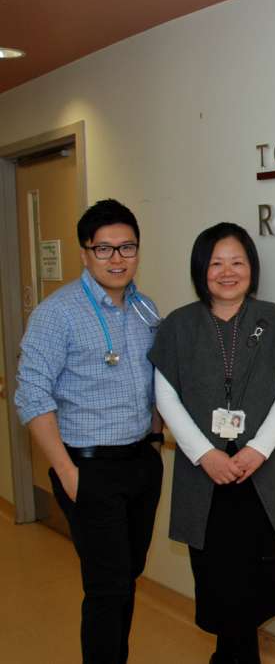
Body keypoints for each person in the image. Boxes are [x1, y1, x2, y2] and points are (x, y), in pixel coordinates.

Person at [148, 222, 275, 664]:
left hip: (261, 478)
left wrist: (257, 450)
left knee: (257, 581)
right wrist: (206, 455)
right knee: (219, 582)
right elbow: (165, 395)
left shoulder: (272, 319)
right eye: (216, 262)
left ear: (251, 268)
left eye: (237, 261)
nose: (227, 271)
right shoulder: (178, 325)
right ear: (201, 269)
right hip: (207, 481)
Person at [14, 199, 163, 664]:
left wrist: (156, 437)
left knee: (127, 576)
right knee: (106, 587)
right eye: (104, 249)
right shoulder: (56, 313)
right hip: (87, 466)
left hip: (140, 462)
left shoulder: (145, 308)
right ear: (84, 253)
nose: (117, 259)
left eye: (127, 248)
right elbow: (31, 396)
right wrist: (65, 471)